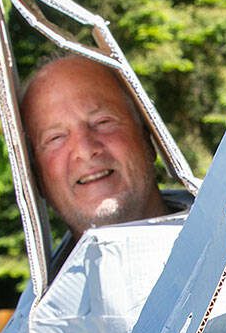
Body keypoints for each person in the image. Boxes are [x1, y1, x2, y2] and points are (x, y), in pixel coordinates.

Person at [20, 55, 174, 244]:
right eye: (56, 137)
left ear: (147, 137)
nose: (85, 150)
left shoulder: (220, 247)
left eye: (102, 122)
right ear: (37, 178)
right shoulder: (50, 274)